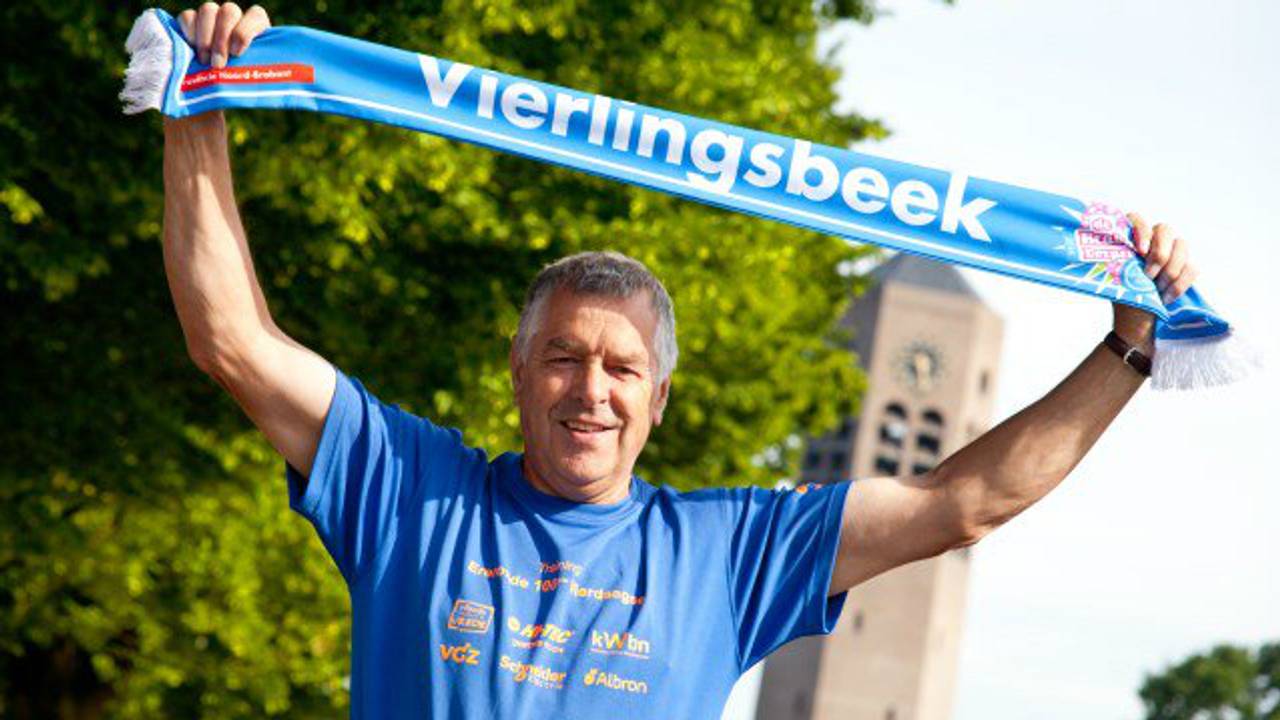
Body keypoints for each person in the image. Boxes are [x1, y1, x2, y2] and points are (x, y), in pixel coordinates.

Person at [162, 4, 1200, 718]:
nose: (589, 390)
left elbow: (958, 503)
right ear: (517, 371)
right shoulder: (406, 488)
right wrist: (198, 113)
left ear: (657, 398)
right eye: (562, 357)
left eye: (619, 369)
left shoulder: (729, 552)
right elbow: (233, 342)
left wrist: (1124, 347)